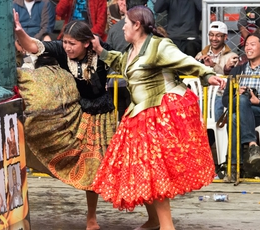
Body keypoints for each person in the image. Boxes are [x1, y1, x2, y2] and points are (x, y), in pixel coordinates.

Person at [90, 6, 225, 230]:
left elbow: (185, 61)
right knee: (143, 171)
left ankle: (166, 226)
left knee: (154, 170)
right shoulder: (132, 50)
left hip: (158, 114)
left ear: (137, 25)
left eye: (126, 22)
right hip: (138, 114)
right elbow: (120, 63)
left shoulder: (159, 46)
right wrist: (100, 51)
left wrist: (208, 74)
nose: (122, 26)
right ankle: (154, 221)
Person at [14, 11, 116, 229]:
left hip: (104, 116)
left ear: (87, 44)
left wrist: (102, 50)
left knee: (107, 165)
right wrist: (19, 31)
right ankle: (92, 220)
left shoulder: (103, 52)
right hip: (78, 113)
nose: (68, 47)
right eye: (66, 43)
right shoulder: (62, 51)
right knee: (89, 165)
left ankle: (152, 216)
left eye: (73, 44)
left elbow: (127, 62)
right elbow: (33, 46)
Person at [222, 32, 260, 178]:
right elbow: (225, 100)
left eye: (252, 45)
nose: (248, 48)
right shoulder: (237, 71)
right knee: (241, 100)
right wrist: (236, 94)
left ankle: (234, 166)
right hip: (240, 107)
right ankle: (252, 145)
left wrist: (258, 101)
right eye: (246, 45)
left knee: (235, 118)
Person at [107, 0, 147, 120]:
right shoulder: (148, 29)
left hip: (115, 83)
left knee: (118, 122)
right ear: (145, 7)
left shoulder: (114, 29)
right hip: (137, 84)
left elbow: (108, 56)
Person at [195, 21, 239, 121]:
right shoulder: (200, 55)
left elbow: (231, 78)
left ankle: (216, 136)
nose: (214, 39)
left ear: (225, 37)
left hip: (220, 95)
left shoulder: (232, 56)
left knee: (217, 106)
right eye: (211, 35)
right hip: (201, 95)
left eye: (218, 36)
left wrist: (213, 65)